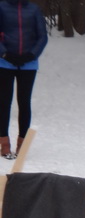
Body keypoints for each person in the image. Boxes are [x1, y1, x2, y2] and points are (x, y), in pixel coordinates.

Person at [0, 0, 47, 159]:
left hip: (28, 64)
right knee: (4, 102)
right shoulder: (2, 6)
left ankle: (22, 145)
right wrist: (4, 54)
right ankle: (4, 144)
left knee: (24, 102)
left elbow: (42, 36)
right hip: (5, 62)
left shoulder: (34, 9)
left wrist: (31, 55)